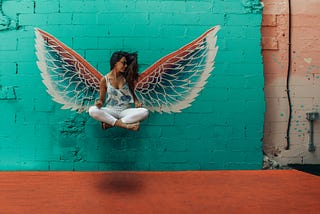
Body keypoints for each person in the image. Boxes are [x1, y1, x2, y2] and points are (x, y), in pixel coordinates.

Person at [88, 51, 149, 131]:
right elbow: (101, 100)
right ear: (115, 63)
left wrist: (137, 102)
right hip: (111, 110)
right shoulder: (104, 80)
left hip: (126, 111)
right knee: (92, 110)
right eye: (123, 63)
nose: (126, 66)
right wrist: (99, 103)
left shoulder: (127, 78)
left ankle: (110, 124)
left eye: (126, 63)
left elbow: (133, 94)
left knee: (145, 112)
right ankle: (125, 125)